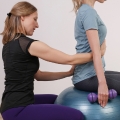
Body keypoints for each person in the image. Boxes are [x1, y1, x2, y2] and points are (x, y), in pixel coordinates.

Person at [0, 1, 105, 120]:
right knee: (77, 116)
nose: (37, 25)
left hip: (11, 104)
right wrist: (98, 54)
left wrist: (68, 73)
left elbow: (39, 75)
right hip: (18, 109)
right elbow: (68, 59)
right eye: (35, 19)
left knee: (58, 99)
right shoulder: (29, 45)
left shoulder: (8, 45)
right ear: (22, 17)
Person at [72, 0, 120, 108]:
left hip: (89, 73)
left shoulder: (87, 10)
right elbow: (96, 53)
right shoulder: (88, 12)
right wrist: (102, 84)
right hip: (86, 77)